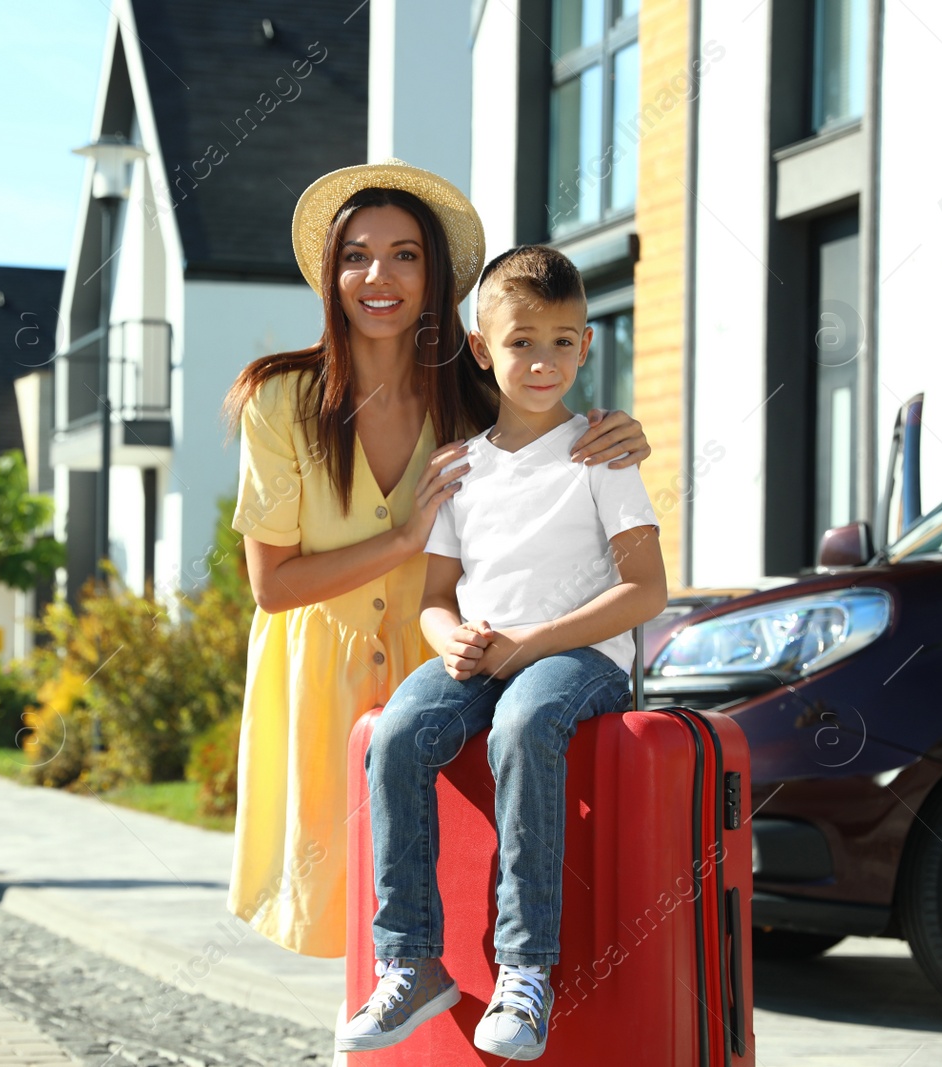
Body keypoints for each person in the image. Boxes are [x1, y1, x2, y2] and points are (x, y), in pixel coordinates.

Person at [223, 159, 652, 960]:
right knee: (352, 928)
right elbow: (273, 586)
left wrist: (622, 433)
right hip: (323, 683)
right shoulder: (279, 400)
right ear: (330, 271)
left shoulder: (475, 393)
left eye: (405, 254)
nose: (377, 275)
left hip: (459, 671)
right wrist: (398, 538)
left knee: (457, 909)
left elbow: (557, 428)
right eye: (355, 253)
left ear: (436, 276)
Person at [334, 245, 667, 1059]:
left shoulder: (603, 453)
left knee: (523, 722)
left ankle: (525, 971)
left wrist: (532, 642)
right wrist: (452, 641)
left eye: (562, 341)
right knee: (398, 732)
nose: (543, 360)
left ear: (586, 346)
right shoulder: (462, 467)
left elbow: (646, 591)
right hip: (484, 656)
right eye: (522, 341)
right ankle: (412, 960)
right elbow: (434, 601)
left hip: (576, 656)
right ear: (484, 349)